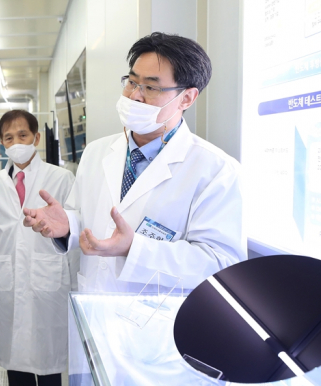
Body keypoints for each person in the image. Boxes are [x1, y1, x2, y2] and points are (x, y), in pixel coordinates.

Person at [23, 32, 246, 293]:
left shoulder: (216, 170)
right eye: (131, 82)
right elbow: (89, 220)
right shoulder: (96, 152)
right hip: (92, 308)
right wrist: (68, 226)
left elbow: (220, 264)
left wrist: (135, 249)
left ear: (186, 98)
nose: (134, 96)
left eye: (151, 87)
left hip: (156, 324)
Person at [0, 110, 76, 386]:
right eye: (9, 137)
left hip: (49, 277)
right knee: (16, 361)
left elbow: (73, 230)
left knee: (48, 362)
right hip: (7, 277)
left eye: (23, 135)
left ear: (36, 138)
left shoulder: (60, 177)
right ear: (2, 143)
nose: (16, 142)